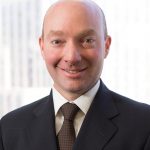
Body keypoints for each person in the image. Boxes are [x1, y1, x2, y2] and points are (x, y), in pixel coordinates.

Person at [1, 0, 150, 149]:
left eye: (87, 40)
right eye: (57, 41)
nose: (72, 57)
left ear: (106, 46)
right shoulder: (8, 129)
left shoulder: (144, 125)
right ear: (42, 46)